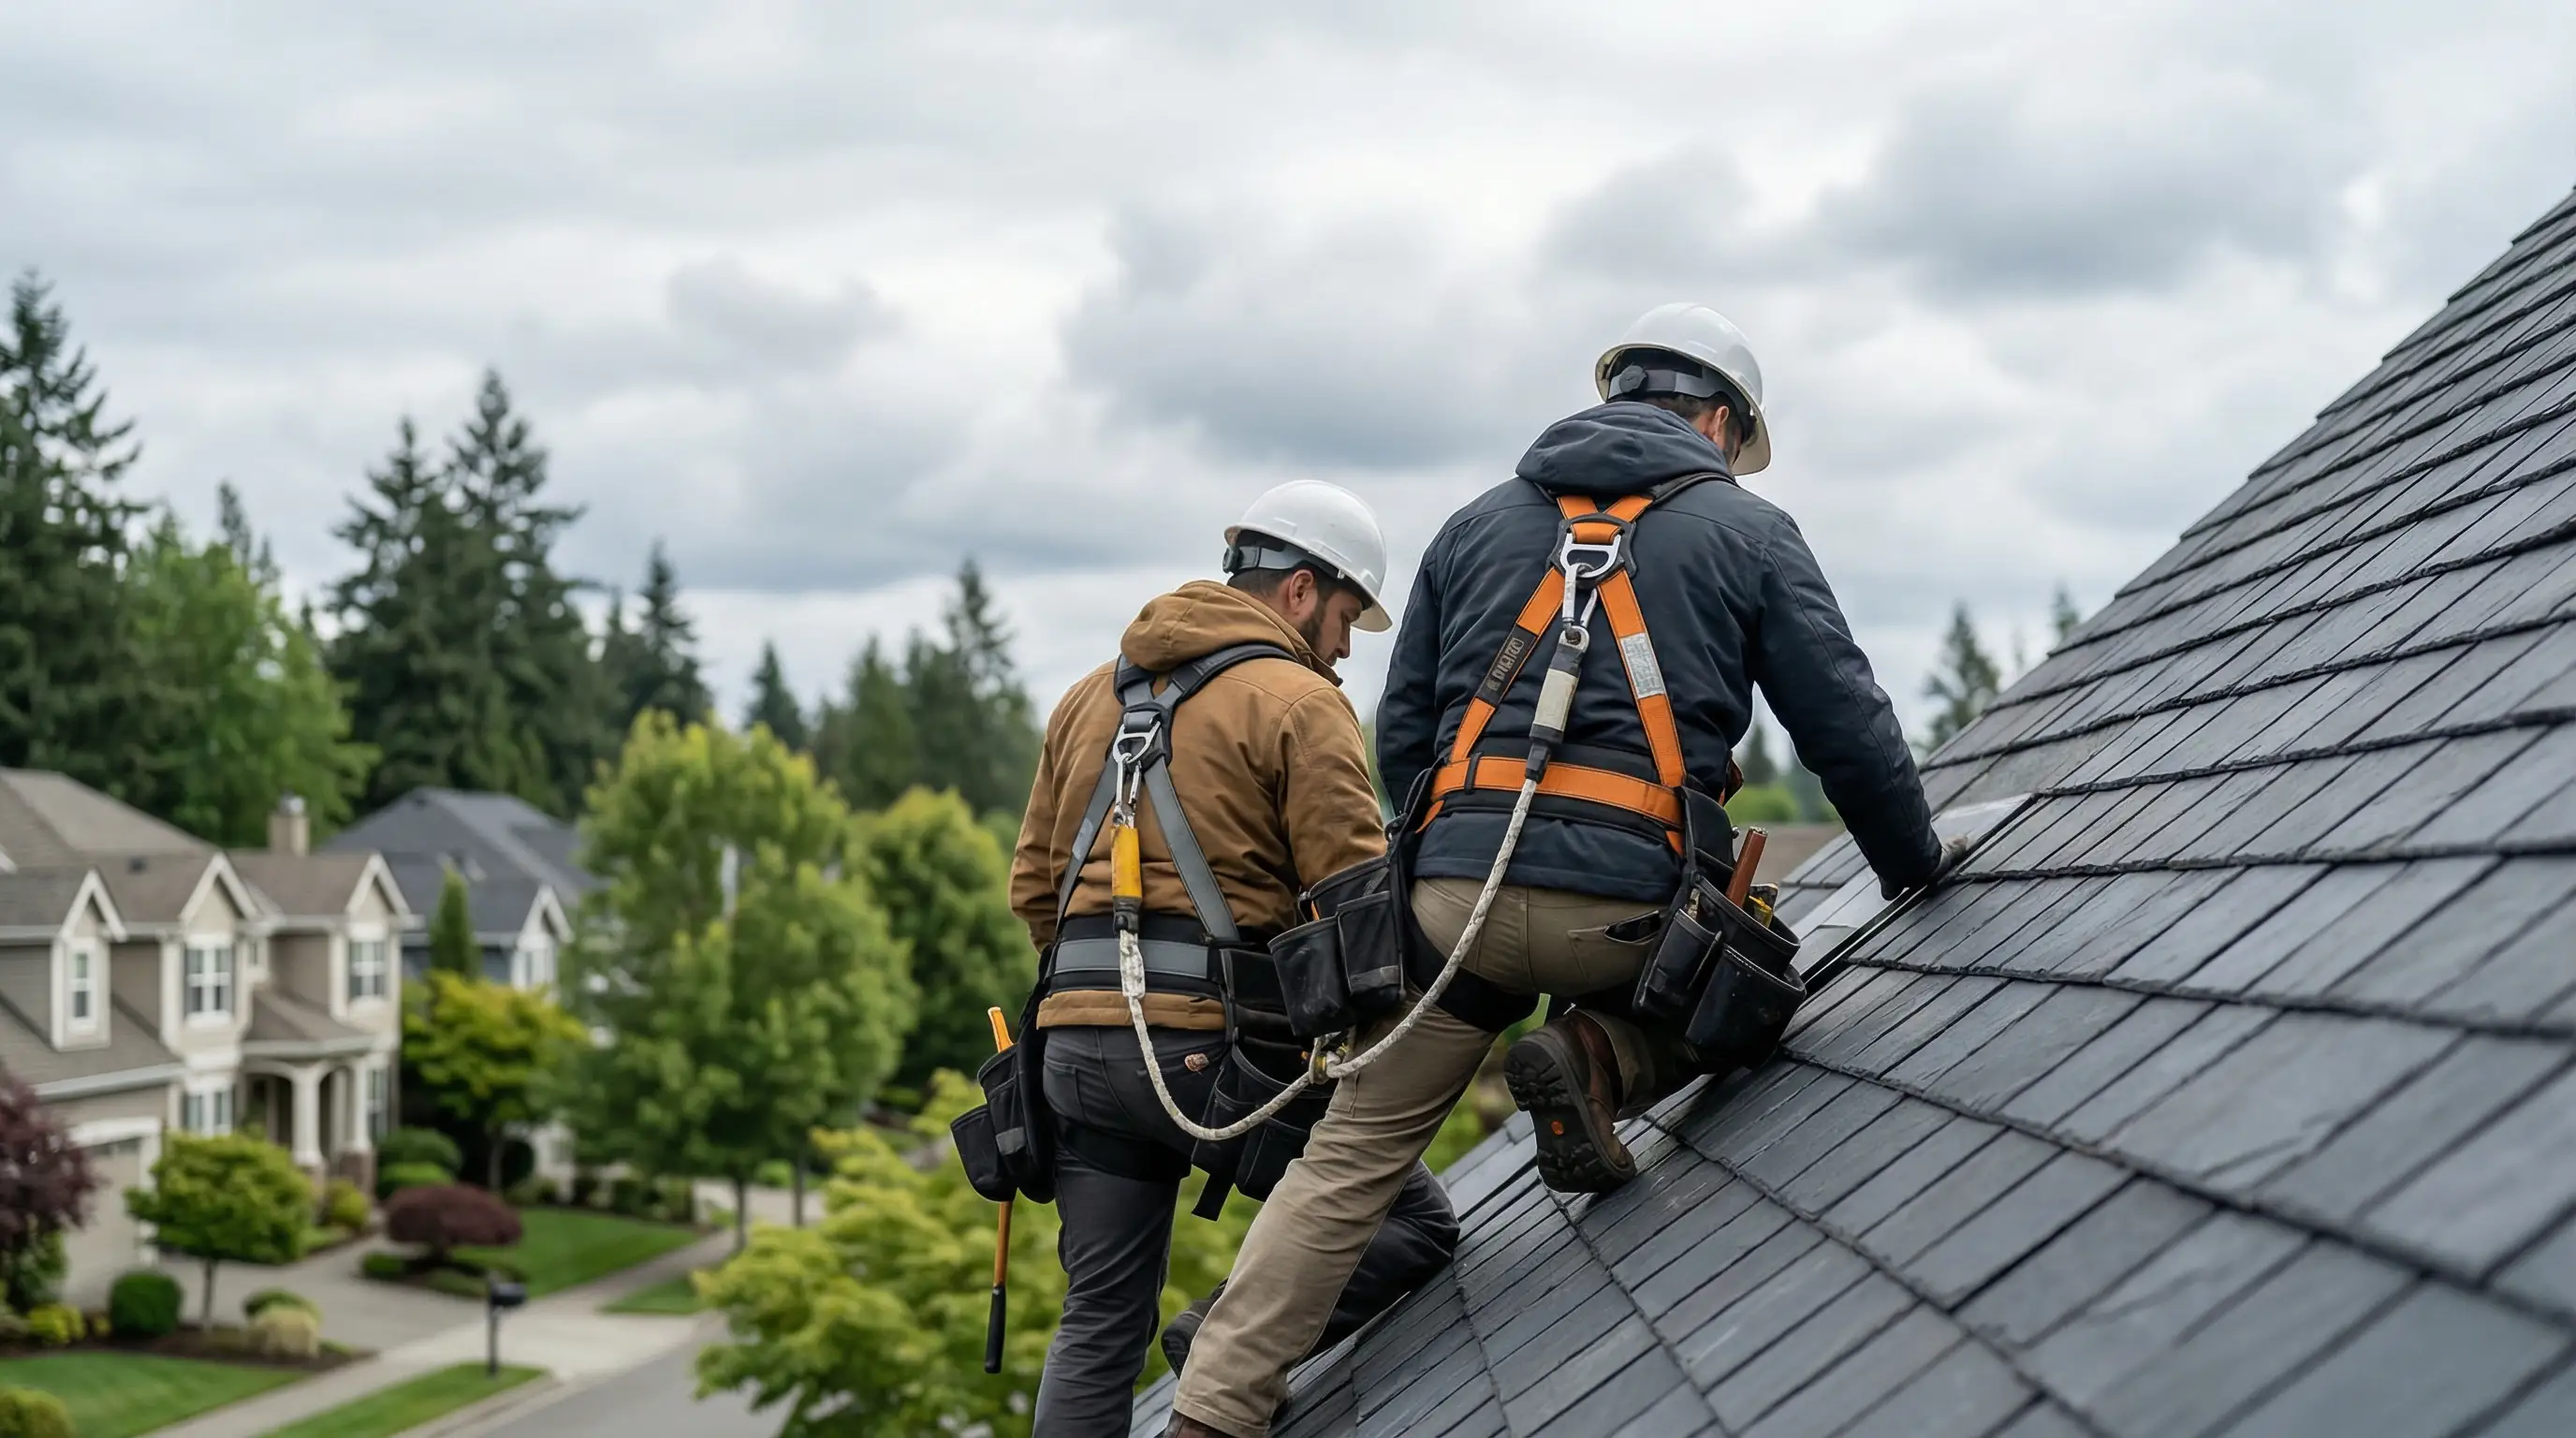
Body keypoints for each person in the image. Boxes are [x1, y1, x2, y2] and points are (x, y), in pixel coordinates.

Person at [1166, 303, 1961, 1438]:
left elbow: (1404, 737)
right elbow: (1846, 729)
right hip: (1625, 922)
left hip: (1453, 908)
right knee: (1757, 994)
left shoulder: (1473, 524)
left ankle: (1212, 1408)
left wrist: (1442, 859)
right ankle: (1596, 1058)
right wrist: (1913, 867)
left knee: (1347, 1161)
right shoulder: (1752, 533)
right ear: (1721, 422)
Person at [1010, 479, 1458, 1437]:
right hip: (1215, 1060)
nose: (1343, 647)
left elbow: (1032, 893)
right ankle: (1228, 1344)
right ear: (1300, 590)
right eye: (1344, 618)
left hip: (1071, 1061)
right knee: (1413, 1222)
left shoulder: (1085, 700)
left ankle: (1214, 1341)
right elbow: (1354, 899)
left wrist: (1108, 998)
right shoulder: (1299, 700)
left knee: (1096, 1323)